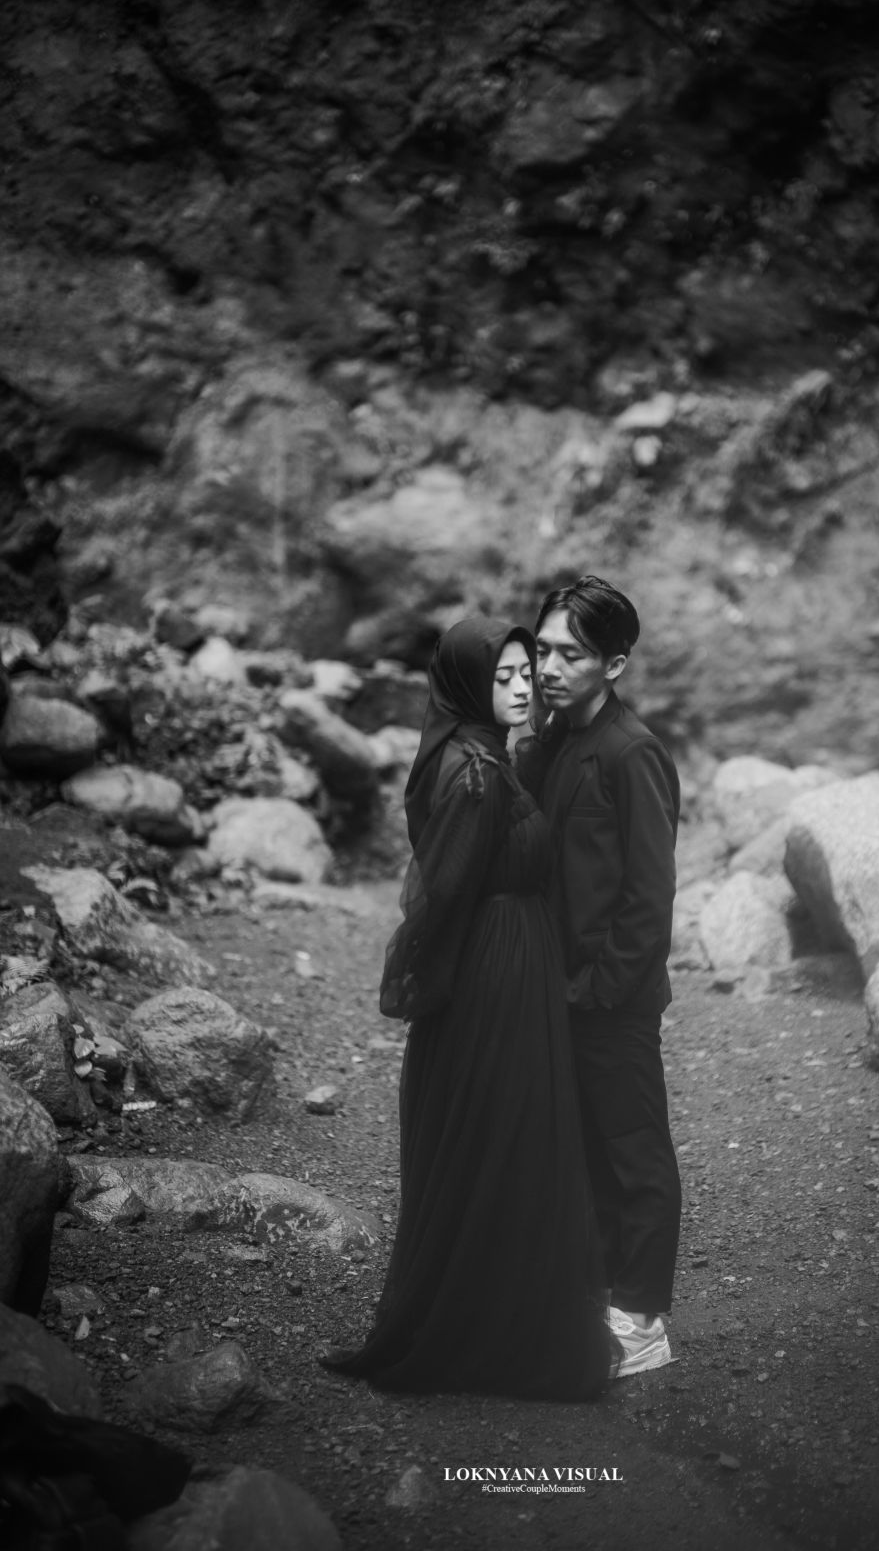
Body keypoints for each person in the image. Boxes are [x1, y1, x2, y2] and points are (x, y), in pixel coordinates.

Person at [320, 616, 615, 1400]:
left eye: (524, 672)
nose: (522, 686)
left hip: (509, 957)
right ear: (464, 685)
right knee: (502, 1133)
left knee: (504, 1136)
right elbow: (444, 892)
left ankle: (492, 1322)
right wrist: (439, 991)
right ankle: (482, 1334)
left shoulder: (484, 757)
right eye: (502, 676)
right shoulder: (473, 774)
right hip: (496, 968)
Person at [522, 575, 682, 1378]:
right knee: (579, 1150)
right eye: (543, 649)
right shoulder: (552, 741)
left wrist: (598, 989)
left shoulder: (631, 751)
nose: (549, 667)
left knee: (632, 1151)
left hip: (610, 1000)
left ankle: (641, 1322)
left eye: (571, 655)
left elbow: (649, 894)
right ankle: (597, 1299)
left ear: (612, 665)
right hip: (555, 991)